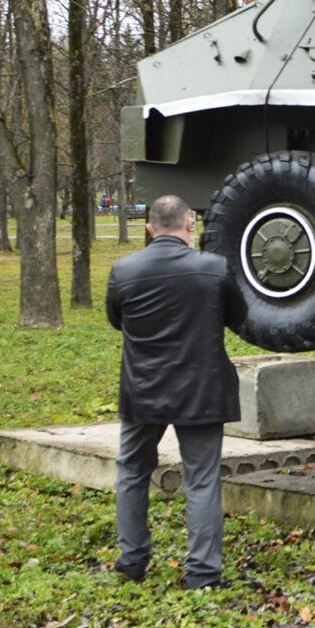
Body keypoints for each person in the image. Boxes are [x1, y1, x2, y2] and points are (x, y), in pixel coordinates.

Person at [105, 194, 247, 589]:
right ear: (189, 225)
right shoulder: (214, 268)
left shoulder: (124, 270)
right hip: (200, 390)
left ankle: (132, 562)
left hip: (143, 390)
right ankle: (203, 574)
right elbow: (239, 316)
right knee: (202, 479)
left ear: (149, 229)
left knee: (132, 472)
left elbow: (117, 320)